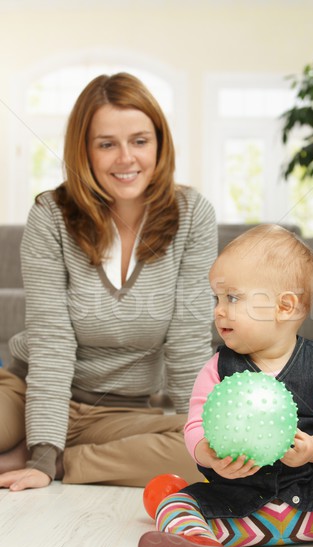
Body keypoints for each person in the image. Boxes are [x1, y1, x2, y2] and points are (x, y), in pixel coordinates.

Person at [137, 224, 313, 547]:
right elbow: (195, 425)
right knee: (176, 503)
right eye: (216, 298)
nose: (219, 311)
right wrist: (208, 455)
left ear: (284, 307)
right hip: (242, 512)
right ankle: (201, 545)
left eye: (232, 298)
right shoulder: (217, 368)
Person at [0, 72, 217, 492]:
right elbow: (51, 340)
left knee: (213, 455)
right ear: (84, 150)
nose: (126, 158)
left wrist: (202, 430)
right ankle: (37, 444)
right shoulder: (51, 214)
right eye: (106, 144)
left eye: (139, 140)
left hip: (119, 415)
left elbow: (188, 341)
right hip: (29, 392)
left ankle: (65, 461)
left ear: (159, 143)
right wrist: (45, 439)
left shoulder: (193, 215)